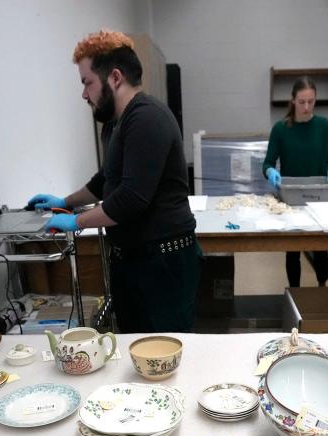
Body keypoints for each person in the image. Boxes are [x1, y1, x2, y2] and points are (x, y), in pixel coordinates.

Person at [28, 30, 201, 333]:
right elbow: (104, 180)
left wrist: (77, 221)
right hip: (132, 259)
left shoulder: (146, 118)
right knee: (134, 345)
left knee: (165, 349)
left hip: (163, 262)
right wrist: (63, 203)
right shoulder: (114, 124)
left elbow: (130, 200)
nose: (84, 94)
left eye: (87, 82)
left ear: (115, 77)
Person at [262, 77, 328, 287]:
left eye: (311, 101)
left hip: (318, 197)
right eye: (302, 102)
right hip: (291, 198)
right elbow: (267, 162)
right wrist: (270, 172)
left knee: (321, 246)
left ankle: (323, 287)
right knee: (293, 249)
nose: (306, 107)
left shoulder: (323, 126)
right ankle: (294, 291)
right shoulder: (281, 129)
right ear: (293, 100)